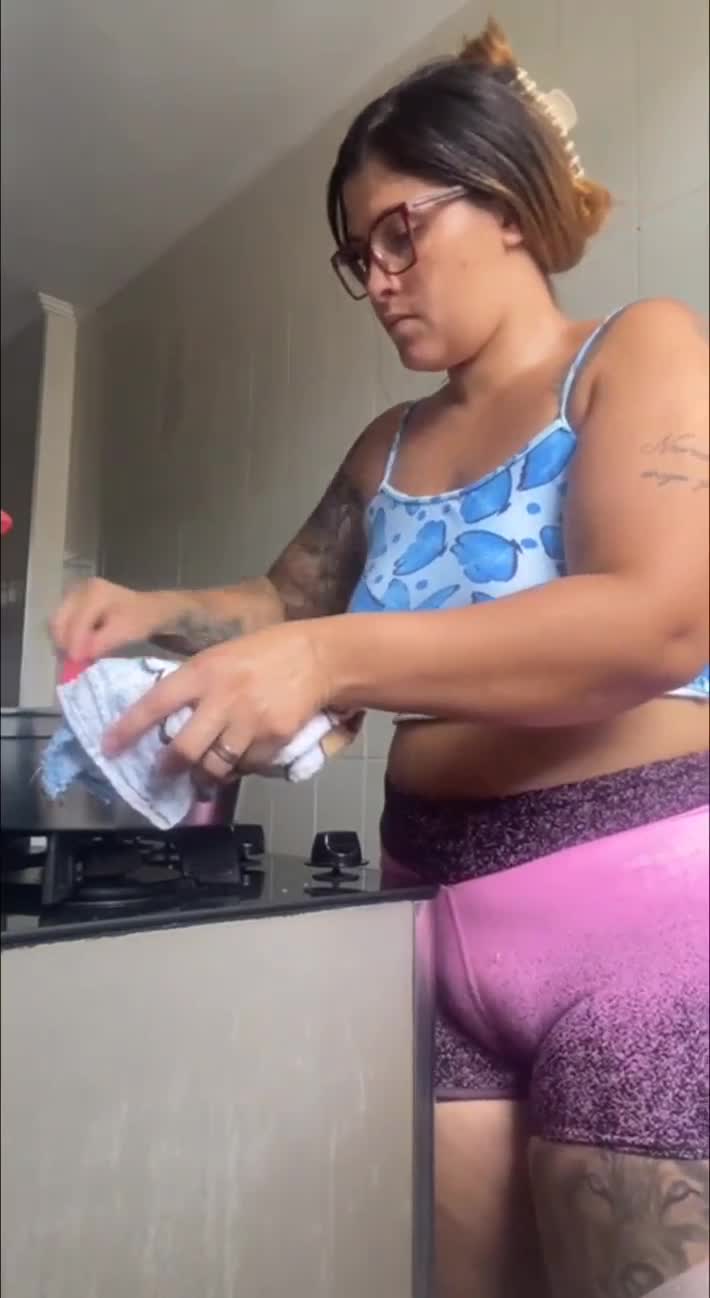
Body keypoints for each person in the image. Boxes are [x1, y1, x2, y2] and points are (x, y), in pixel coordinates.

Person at [51, 20, 709, 1298]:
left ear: (504, 200)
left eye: (399, 232)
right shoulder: (386, 444)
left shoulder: (635, 351)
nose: (381, 277)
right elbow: (284, 601)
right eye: (361, 257)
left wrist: (327, 657)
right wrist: (151, 608)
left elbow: (656, 619)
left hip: (635, 911)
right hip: (430, 920)